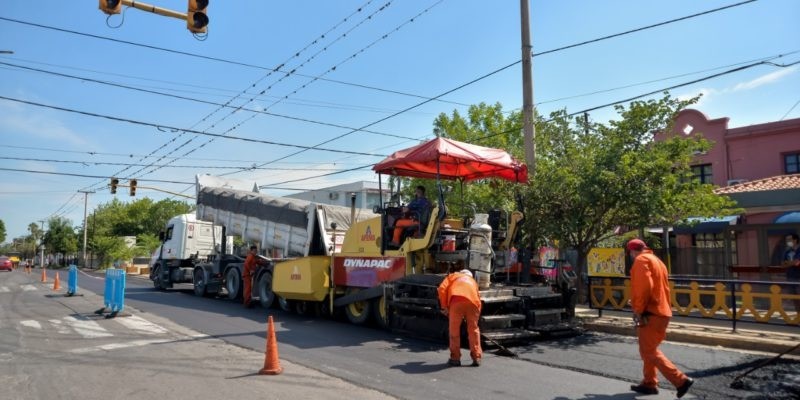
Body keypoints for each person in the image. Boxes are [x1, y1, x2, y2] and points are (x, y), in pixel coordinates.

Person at [627, 239, 694, 398]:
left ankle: (681, 380)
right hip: (662, 311)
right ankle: (649, 383)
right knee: (648, 350)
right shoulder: (657, 261)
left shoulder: (641, 260)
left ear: (632, 251)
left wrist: (638, 309)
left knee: (649, 351)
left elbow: (644, 287)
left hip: (651, 312)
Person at [437, 266, 482, 367]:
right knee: (473, 330)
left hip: (456, 302)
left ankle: (455, 359)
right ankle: (477, 357)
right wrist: (476, 316)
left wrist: (444, 307)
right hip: (473, 303)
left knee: (454, 330)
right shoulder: (473, 281)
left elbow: (442, 289)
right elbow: (478, 298)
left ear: (461, 273)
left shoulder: (453, 276)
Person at [782, 233, 800, 312]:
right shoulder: (787, 251)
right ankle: (798, 315)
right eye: (787, 240)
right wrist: (792, 263)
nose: (787, 241)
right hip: (790, 278)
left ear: (795, 240)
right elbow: (782, 264)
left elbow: (797, 263)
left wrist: (788, 263)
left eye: (789, 239)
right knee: (794, 299)